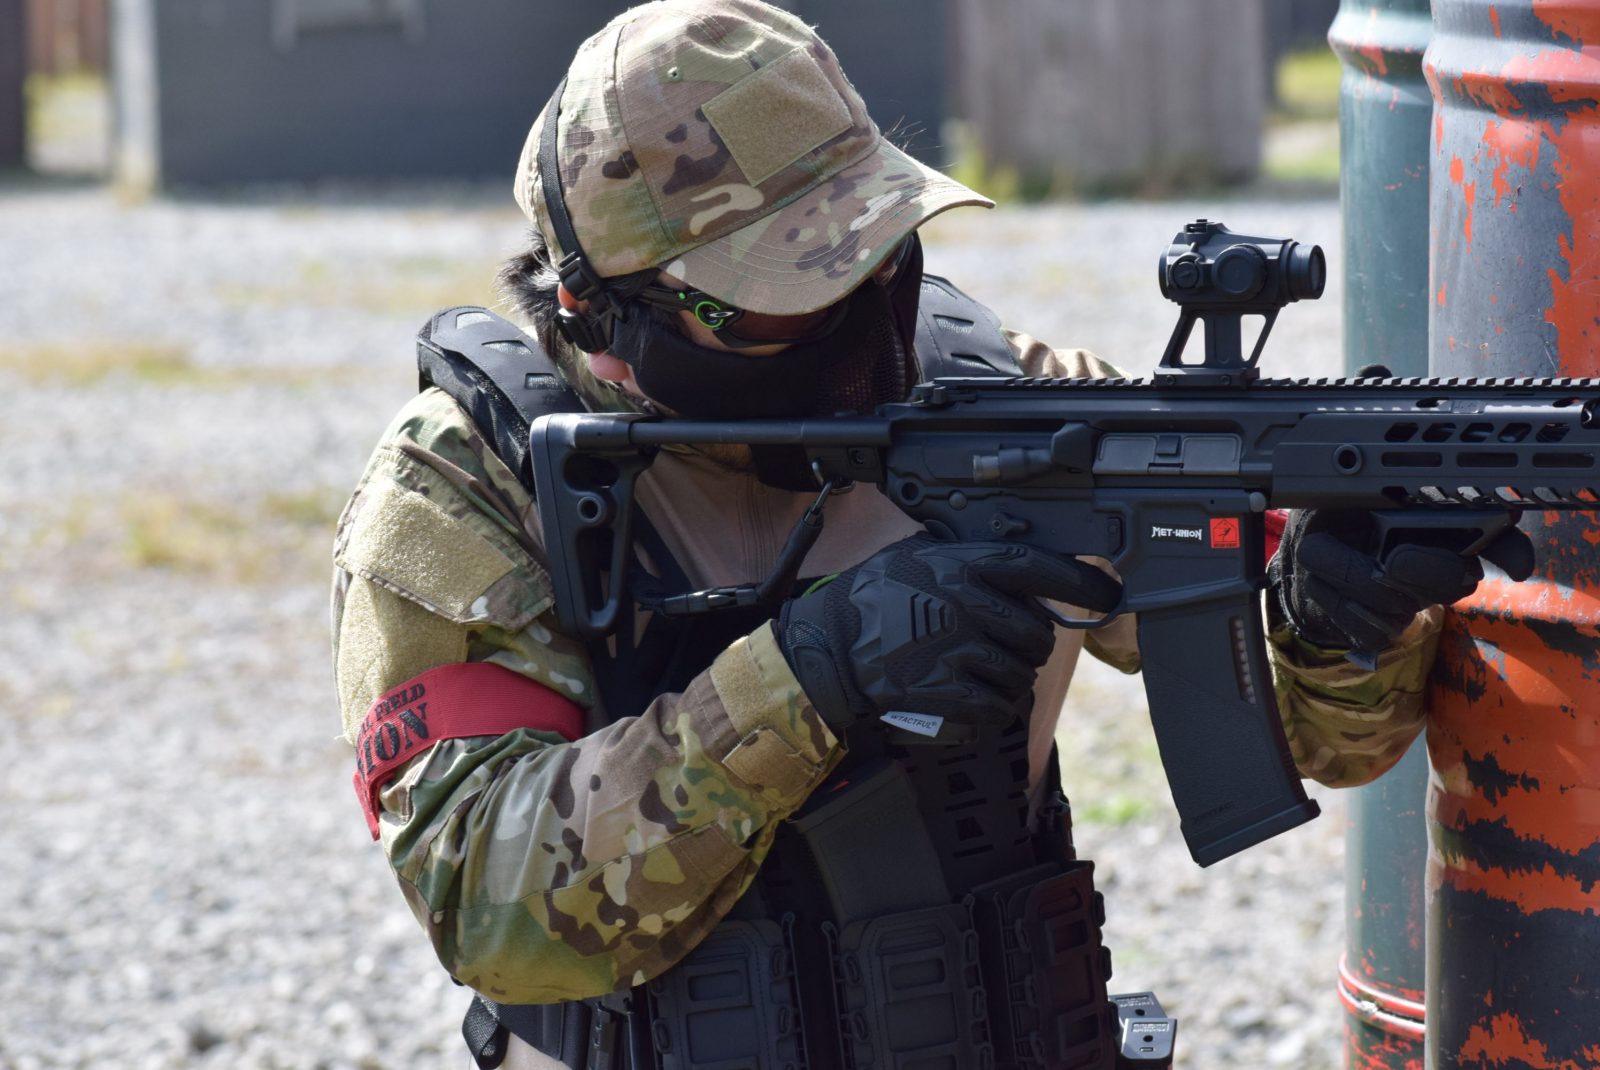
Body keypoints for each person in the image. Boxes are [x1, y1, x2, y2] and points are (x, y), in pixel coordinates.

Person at [330, 2, 1534, 1067]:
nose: (862, 319)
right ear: (602, 313)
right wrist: (814, 675)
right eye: (789, 295)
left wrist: (1332, 620)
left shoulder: (995, 399)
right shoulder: (471, 484)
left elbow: (1321, 738)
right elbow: (491, 909)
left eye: (876, 255)